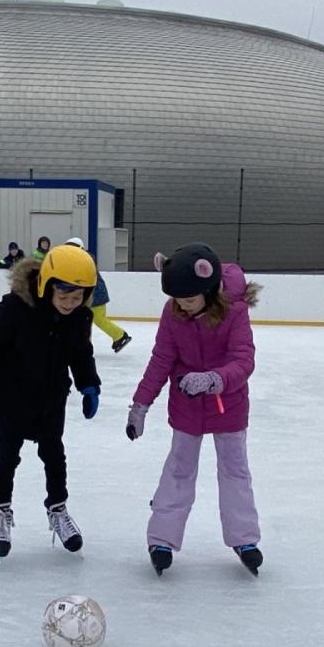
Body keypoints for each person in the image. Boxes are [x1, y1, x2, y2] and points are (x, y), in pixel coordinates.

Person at [125, 242, 263, 576]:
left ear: (209, 289)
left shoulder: (234, 312)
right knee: (179, 469)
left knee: (235, 471)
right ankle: (162, 539)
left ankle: (244, 539)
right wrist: (140, 404)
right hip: (186, 406)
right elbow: (161, 359)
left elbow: (244, 360)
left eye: (188, 300)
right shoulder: (174, 311)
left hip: (228, 405)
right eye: (176, 300)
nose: (181, 306)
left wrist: (214, 379)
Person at [0, 244, 101, 559]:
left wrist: (89, 385)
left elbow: (81, 354)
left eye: (78, 297)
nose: (70, 304)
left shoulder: (79, 317)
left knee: (54, 456)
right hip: (11, 397)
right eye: (63, 296)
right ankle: (0, 511)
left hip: (50, 399)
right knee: (7, 457)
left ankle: (58, 509)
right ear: (46, 285)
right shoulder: (14, 308)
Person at [65, 237, 131, 353]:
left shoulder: (85, 259)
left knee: (95, 319)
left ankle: (120, 336)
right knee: (90, 319)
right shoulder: (80, 259)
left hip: (95, 295)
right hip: (92, 294)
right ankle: (118, 336)